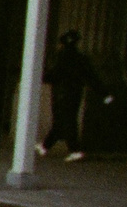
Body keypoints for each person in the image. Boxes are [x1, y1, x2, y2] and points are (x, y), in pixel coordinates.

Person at [41, 30, 99, 162]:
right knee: (65, 120)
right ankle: (46, 145)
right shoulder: (81, 58)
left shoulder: (60, 57)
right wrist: (103, 92)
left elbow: (54, 74)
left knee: (65, 121)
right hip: (74, 92)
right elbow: (90, 76)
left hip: (61, 93)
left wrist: (43, 77)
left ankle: (74, 150)